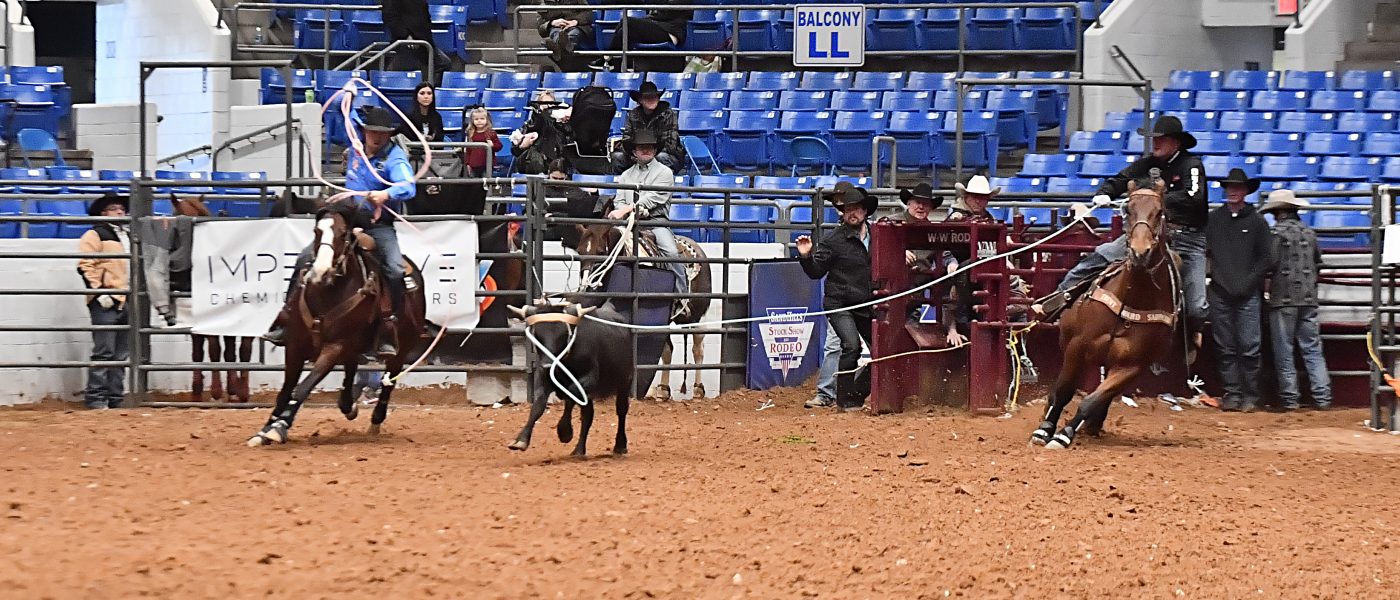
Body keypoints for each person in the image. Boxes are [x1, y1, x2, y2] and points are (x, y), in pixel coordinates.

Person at [1034, 116, 1209, 346]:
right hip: (1148, 234)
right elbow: (1122, 179)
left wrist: (1155, 199)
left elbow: (1195, 198)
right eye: (1154, 139)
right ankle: (1057, 298)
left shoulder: (1191, 165)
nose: (1155, 144)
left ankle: (1188, 335)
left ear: (1176, 143)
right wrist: (1105, 191)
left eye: (1161, 139)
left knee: (1196, 305)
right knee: (1101, 255)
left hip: (1187, 237)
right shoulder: (1147, 164)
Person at [263, 106, 417, 358]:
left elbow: (408, 185)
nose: (377, 137)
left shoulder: (395, 158)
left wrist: (387, 193)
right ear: (365, 131)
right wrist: (349, 95)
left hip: (377, 224)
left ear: (389, 135)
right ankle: (286, 317)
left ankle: (389, 325)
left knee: (394, 267)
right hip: (346, 217)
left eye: (383, 133)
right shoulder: (356, 147)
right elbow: (345, 114)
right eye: (373, 131)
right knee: (305, 258)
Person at [796, 181, 875, 413]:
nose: (852, 213)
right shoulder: (834, 240)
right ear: (843, 213)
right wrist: (806, 256)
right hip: (839, 303)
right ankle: (844, 399)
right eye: (848, 209)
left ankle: (855, 394)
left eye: (857, 208)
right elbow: (815, 272)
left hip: (866, 303)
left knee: (885, 351)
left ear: (865, 211)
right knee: (851, 346)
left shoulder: (878, 236)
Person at [1205, 168, 1275, 412]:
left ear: (1245, 191)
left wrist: (1249, 283)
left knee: (1249, 347)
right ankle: (1233, 393)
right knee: (1225, 347)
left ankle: (1250, 395)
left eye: (1238, 188)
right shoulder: (1214, 220)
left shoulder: (1257, 222)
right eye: (1230, 187)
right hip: (1221, 292)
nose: (1233, 191)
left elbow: (1267, 257)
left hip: (1246, 294)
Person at [1260, 189, 1332, 411]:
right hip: (1309, 297)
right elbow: (1318, 262)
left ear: (1277, 212)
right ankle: (1323, 396)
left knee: (1284, 350)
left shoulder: (1275, 234)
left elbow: (1269, 265)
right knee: (1312, 349)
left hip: (1283, 298)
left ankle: (1290, 399)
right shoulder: (1310, 233)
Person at [610, 129, 687, 295]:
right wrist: (623, 211)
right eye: (641, 147)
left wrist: (630, 209)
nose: (646, 150)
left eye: (650, 147)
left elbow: (653, 198)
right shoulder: (625, 175)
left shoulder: (665, 173)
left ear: (655, 150)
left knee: (670, 252)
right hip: (628, 223)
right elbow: (619, 201)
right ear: (634, 151)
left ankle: (682, 295)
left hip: (655, 223)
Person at [77, 193, 131, 410]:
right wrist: (99, 292)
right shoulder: (95, 234)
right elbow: (84, 264)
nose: (120, 212)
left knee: (120, 353)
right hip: (107, 297)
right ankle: (97, 397)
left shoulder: (126, 235)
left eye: (121, 208)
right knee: (105, 350)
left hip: (124, 297)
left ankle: (114, 397)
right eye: (113, 208)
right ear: (103, 213)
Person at [591, 3, 693, 71]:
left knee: (627, 21)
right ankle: (614, 63)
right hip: (657, 26)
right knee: (624, 29)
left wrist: (651, 16)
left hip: (671, 32)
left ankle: (608, 58)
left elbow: (668, 12)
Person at [611, 81, 685, 174]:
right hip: (637, 154)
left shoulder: (669, 114)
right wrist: (635, 154)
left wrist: (649, 154)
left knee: (661, 157)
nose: (651, 99)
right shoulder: (633, 114)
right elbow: (627, 138)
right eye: (647, 97)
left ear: (658, 98)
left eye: (654, 97)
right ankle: (624, 185)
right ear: (640, 100)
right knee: (617, 157)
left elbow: (670, 144)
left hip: (662, 154)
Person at [511, 90, 572, 175]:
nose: (547, 106)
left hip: (556, 166)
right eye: (544, 103)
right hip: (534, 166)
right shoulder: (530, 124)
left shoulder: (561, 125)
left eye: (551, 103)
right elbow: (515, 151)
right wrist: (521, 145)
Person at [381, 0, 444, 75]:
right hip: (407, 42)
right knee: (404, 72)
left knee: (442, 64)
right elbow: (390, 17)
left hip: (423, 40)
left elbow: (425, 15)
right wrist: (405, 35)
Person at [537, 0, 594, 66]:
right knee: (555, 32)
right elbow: (541, 29)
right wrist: (551, 23)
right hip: (557, 28)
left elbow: (588, 13)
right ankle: (563, 44)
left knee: (574, 33)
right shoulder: (542, 3)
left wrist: (576, 21)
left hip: (577, 26)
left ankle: (559, 46)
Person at [462, 106, 501, 178]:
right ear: (472, 121)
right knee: (474, 184)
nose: (479, 121)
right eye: (476, 119)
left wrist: (492, 145)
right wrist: (467, 163)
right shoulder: (471, 133)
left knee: (486, 184)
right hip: (473, 165)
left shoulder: (491, 133)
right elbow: (468, 150)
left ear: (487, 120)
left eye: (482, 119)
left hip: (487, 165)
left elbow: (499, 146)